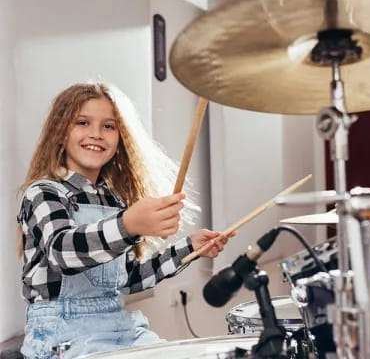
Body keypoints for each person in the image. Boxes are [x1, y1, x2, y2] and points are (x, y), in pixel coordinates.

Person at [17, 82, 234, 358]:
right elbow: (64, 253)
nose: (96, 134)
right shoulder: (44, 192)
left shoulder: (113, 200)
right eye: (83, 122)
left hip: (119, 326)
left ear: (120, 138)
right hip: (61, 335)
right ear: (60, 133)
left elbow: (128, 279)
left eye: (109, 126)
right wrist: (128, 225)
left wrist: (189, 249)